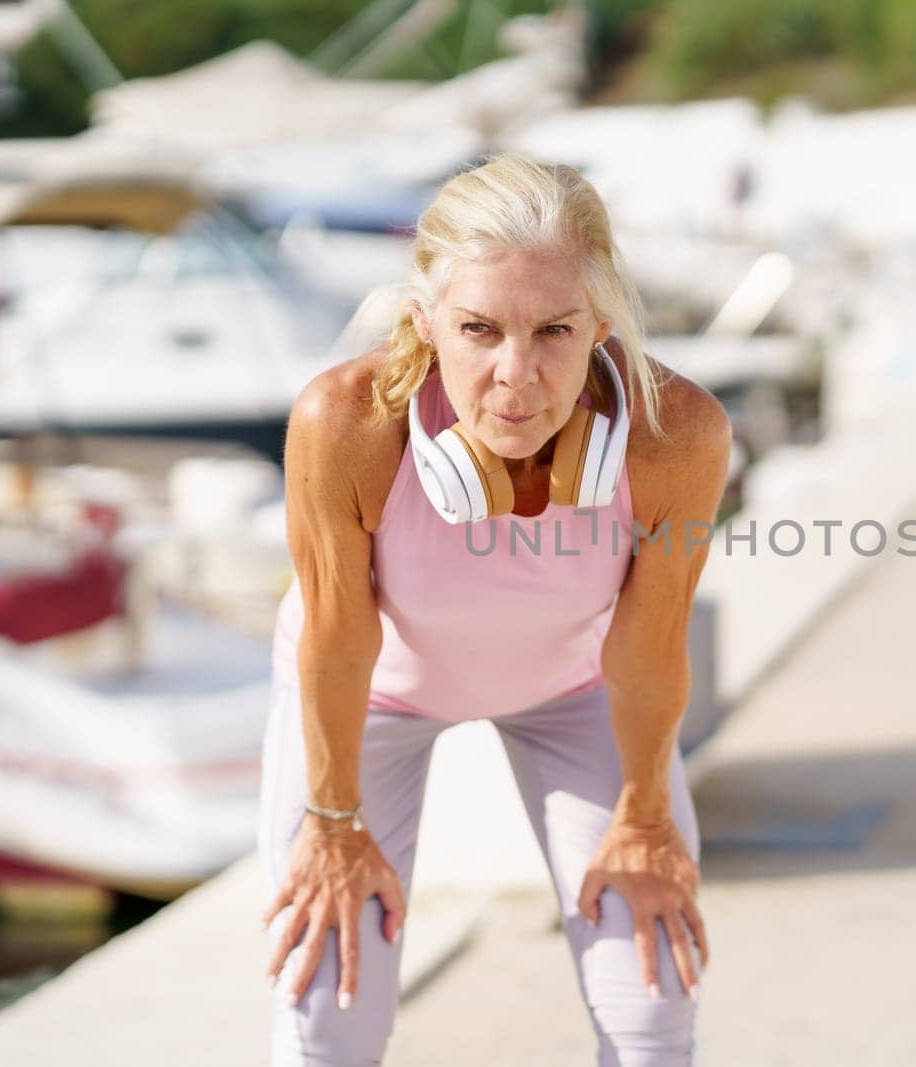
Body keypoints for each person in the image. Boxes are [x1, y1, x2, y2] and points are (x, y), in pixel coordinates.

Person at [257, 153, 731, 1066]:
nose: (517, 376)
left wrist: (644, 816)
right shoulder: (346, 424)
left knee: (654, 1000)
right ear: (424, 322)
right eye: (479, 329)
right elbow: (337, 639)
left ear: (601, 321)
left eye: (555, 330)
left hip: (578, 688)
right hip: (375, 694)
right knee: (327, 1004)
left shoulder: (675, 437)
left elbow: (650, 647)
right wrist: (333, 822)